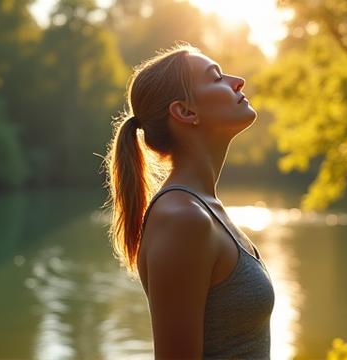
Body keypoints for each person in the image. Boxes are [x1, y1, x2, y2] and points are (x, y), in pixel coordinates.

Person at [102, 42, 275, 359]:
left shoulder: (204, 209)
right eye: (216, 76)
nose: (238, 81)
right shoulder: (182, 218)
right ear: (185, 111)